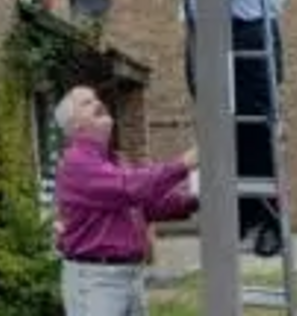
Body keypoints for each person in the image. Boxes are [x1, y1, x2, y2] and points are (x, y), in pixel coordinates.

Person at [53, 85, 199, 316]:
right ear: (74, 125)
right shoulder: (76, 163)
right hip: (96, 280)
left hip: (129, 275)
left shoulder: (115, 161)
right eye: (86, 103)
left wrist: (197, 199)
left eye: (96, 98)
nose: (98, 103)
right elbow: (130, 187)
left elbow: (150, 206)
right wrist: (184, 164)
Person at [182, 0, 290, 256]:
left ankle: (267, 219)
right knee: (215, 125)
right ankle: (235, 215)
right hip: (203, 26)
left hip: (251, 24)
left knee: (256, 126)